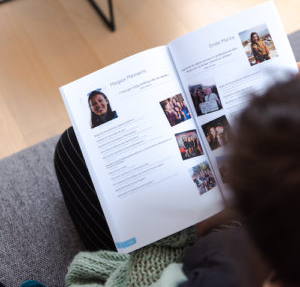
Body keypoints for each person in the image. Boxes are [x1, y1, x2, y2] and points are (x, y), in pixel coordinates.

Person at [53, 73, 300, 287]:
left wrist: (195, 229)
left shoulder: (230, 269)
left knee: (72, 147)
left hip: (182, 246)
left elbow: (145, 275)